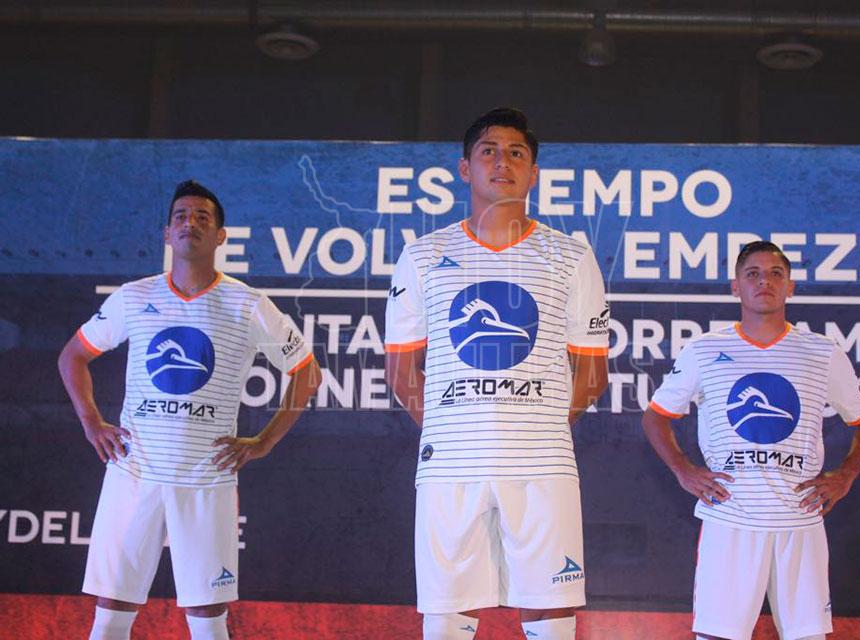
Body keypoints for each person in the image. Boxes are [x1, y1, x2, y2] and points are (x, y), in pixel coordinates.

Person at [58, 180, 321, 640]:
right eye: (180, 216)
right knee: (111, 611)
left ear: (220, 236)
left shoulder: (247, 304)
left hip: (206, 477)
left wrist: (265, 441)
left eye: (203, 217)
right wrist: (92, 423)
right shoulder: (134, 297)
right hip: (133, 472)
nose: (190, 224)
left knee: (207, 619)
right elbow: (73, 357)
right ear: (167, 233)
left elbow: (307, 372)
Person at [384, 107, 609, 640]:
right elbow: (401, 370)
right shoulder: (423, 255)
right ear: (465, 167)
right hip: (449, 467)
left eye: (516, 153)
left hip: (542, 465)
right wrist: (449, 429)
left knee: (549, 609)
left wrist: (539, 427)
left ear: (534, 173)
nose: (502, 161)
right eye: (488, 150)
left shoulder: (571, 256)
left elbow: (592, 372)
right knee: (448, 611)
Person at [641, 240, 860, 640]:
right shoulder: (705, 350)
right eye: (752, 274)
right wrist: (683, 470)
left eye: (775, 274)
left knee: (807, 635)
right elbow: (656, 416)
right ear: (735, 286)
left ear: (790, 287)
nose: (764, 282)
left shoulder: (821, 352)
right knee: (718, 635)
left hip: (800, 517)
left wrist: (846, 475)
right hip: (731, 516)